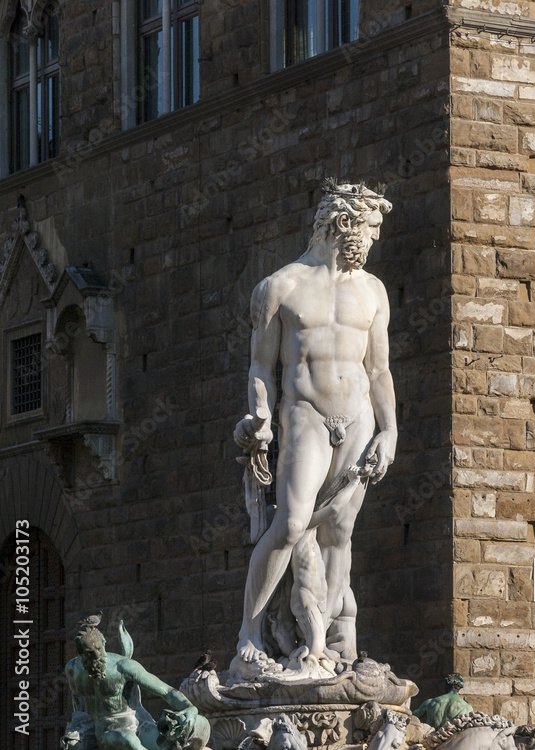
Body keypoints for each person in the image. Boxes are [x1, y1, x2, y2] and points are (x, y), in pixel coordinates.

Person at [233, 181, 397, 672]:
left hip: (360, 418)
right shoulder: (279, 287)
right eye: (370, 229)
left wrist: (390, 431)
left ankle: (325, 647)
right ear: (344, 224)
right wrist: (259, 415)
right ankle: (249, 638)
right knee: (289, 523)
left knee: (340, 531)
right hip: (305, 414)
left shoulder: (373, 291)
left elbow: (379, 370)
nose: (373, 240)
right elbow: (261, 368)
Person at [63, 619, 209, 750]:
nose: (94, 659)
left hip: (132, 725)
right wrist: (77, 728)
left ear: (104, 644)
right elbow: (79, 703)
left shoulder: (123, 666)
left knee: (134, 739)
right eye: (87, 656)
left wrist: (190, 708)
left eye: (97, 652)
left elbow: (166, 692)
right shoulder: (73, 669)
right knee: (72, 744)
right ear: (80, 654)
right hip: (98, 729)